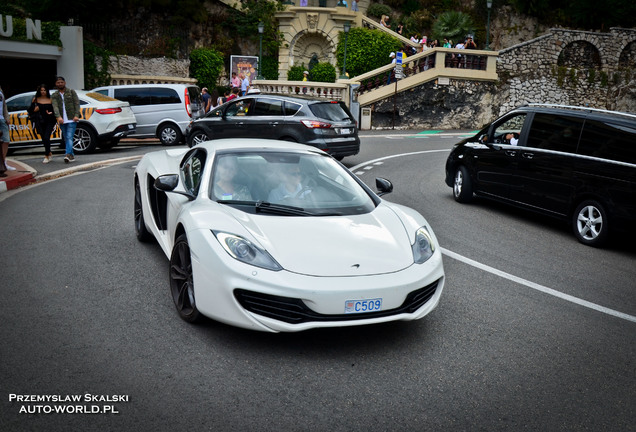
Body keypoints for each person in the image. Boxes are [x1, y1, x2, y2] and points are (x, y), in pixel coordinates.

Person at [51, 76, 80, 163]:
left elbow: (77, 104)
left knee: (69, 137)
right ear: (56, 84)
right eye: (58, 82)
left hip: (72, 119)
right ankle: (72, 155)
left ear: (65, 83)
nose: (60, 84)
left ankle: (67, 154)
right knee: (66, 138)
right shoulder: (54, 95)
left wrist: (76, 115)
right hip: (62, 120)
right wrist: (58, 116)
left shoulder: (71, 92)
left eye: (61, 82)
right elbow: (55, 106)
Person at [29, 84, 57, 163]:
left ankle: (46, 155)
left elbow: (55, 110)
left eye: (44, 90)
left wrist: (51, 112)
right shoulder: (36, 99)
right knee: (43, 138)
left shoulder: (50, 99)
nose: (43, 92)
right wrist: (35, 108)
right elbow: (30, 110)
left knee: (46, 137)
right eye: (41, 90)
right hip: (39, 121)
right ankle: (49, 152)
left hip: (50, 120)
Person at [0, 85, 9, 177]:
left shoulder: (0, 90)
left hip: (2, 119)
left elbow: (4, 105)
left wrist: (7, 117)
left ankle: (3, 162)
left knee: (6, 140)